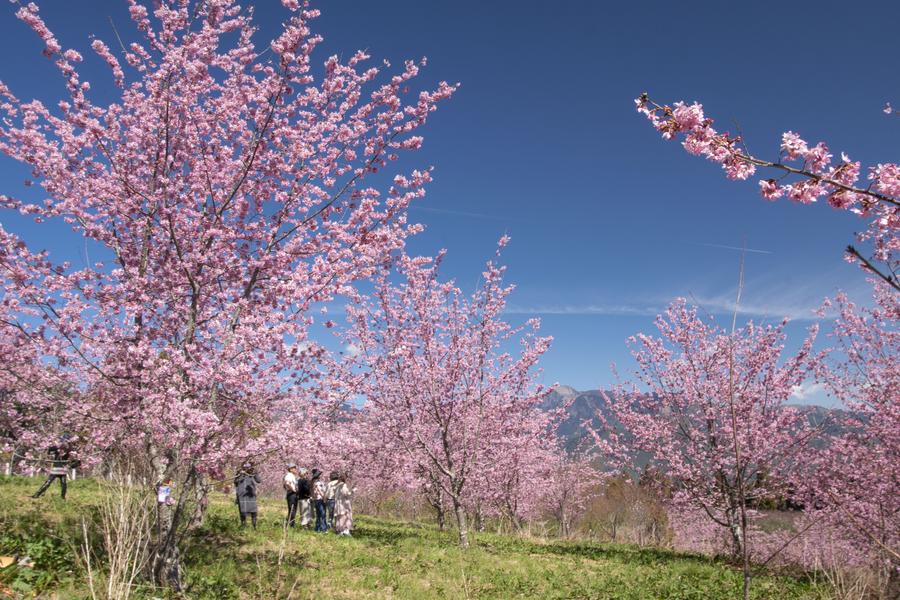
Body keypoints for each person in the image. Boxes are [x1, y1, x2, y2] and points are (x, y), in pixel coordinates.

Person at [234, 463, 261, 530]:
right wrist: (241, 474)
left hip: (250, 494)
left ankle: (254, 526)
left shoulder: (252, 474)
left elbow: (259, 481)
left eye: (248, 467)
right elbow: (235, 482)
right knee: (243, 512)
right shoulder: (239, 473)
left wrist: (255, 473)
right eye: (245, 467)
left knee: (254, 511)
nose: (247, 469)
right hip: (242, 495)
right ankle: (243, 526)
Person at [283, 463, 299, 527]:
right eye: (294, 468)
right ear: (290, 469)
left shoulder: (292, 475)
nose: (295, 469)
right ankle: (290, 524)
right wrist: (293, 490)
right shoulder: (289, 475)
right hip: (291, 494)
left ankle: (291, 523)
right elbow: (287, 483)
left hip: (293, 494)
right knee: (292, 509)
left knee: (293, 510)